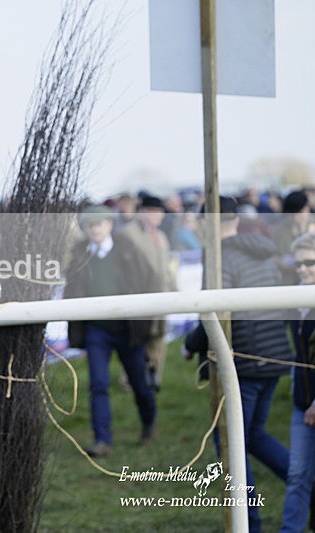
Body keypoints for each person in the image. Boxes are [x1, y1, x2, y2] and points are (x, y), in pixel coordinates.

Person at [183, 196, 292, 533]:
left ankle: (250, 525)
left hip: (241, 363)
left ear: (206, 223)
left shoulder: (219, 257)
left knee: (231, 448)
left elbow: (214, 315)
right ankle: (307, 483)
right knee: (254, 435)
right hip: (272, 356)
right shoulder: (263, 249)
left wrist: (190, 345)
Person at [64, 205, 160, 457]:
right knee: (98, 383)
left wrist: (147, 321)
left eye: (99, 224)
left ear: (109, 224)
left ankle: (149, 423)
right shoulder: (79, 254)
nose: (95, 229)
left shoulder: (127, 249)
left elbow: (150, 281)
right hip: (97, 329)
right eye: (90, 225)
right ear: (84, 229)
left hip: (129, 328)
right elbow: (71, 290)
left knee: (139, 382)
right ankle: (102, 439)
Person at [118, 194, 175, 390]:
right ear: (143, 213)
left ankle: (154, 378)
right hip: (139, 297)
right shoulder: (128, 235)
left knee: (159, 339)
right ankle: (129, 380)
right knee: (137, 339)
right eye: (154, 213)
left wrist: (174, 290)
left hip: (161, 297)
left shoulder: (161, 236)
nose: (159, 217)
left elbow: (166, 268)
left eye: (160, 213)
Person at [280, 232, 315, 532]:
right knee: (297, 474)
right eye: (298, 263)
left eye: (309, 263)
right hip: (301, 401)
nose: (302, 269)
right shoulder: (294, 298)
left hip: (310, 403)